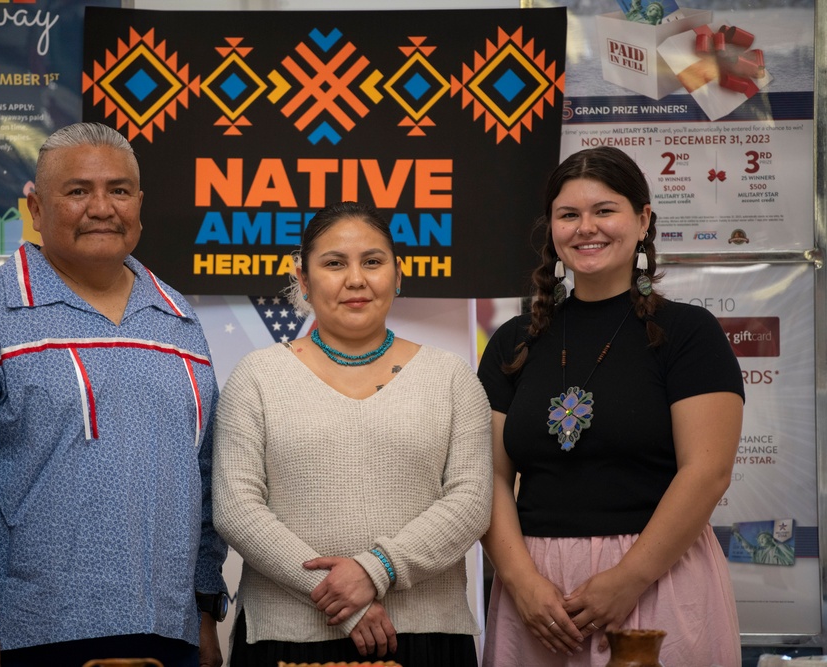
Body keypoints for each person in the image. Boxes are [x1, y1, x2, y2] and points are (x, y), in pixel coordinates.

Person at [0, 122, 228, 667]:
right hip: (31, 634)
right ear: (35, 209)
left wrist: (201, 607)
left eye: (118, 191)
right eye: (77, 191)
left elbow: (202, 475)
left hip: (168, 631)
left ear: (140, 204)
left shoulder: (177, 318)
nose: (101, 207)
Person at [478, 146, 743, 666]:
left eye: (604, 211)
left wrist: (628, 580)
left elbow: (707, 471)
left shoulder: (687, 334)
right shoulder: (513, 341)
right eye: (568, 215)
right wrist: (522, 582)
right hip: (539, 595)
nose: (586, 228)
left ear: (642, 219)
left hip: (656, 579)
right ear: (551, 228)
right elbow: (486, 476)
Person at [211, 201, 492, 666]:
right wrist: (340, 596)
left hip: (424, 635)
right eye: (334, 263)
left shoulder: (450, 377)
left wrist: (377, 569)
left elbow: (470, 503)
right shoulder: (257, 376)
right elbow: (236, 509)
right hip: (287, 637)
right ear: (303, 279)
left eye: (373, 262)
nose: (356, 279)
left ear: (398, 275)